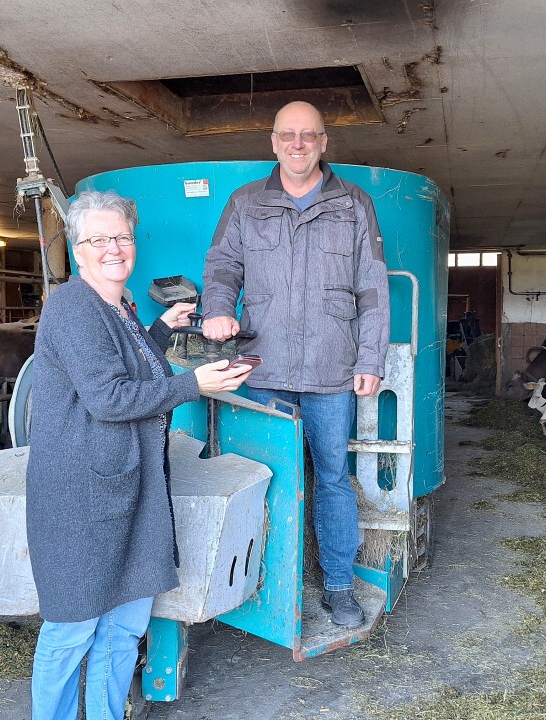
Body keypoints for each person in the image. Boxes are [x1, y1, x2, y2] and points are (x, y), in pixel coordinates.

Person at [26, 189, 253, 720]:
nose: (113, 248)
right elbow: (109, 397)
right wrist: (194, 383)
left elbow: (130, 367)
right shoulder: (73, 306)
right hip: (80, 494)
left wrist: (157, 329)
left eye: (122, 237)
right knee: (73, 626)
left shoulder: (120, 307)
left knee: (124, 626)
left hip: (128, 488)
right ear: (77, 251)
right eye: (98, 239)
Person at [200, 100, 390, 629]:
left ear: (325, 142)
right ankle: (261, 589)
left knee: (331, 479)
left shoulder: (354, 204)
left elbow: (373, 288)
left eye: (310, 135)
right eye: (289, 135)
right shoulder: (246, 202)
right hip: (263, 369)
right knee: (265, 477)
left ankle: (337, 586)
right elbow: (222, 266)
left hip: (332, 371)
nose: (299, 144)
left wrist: (371, 357)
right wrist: (216, 310)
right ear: (274, 141)